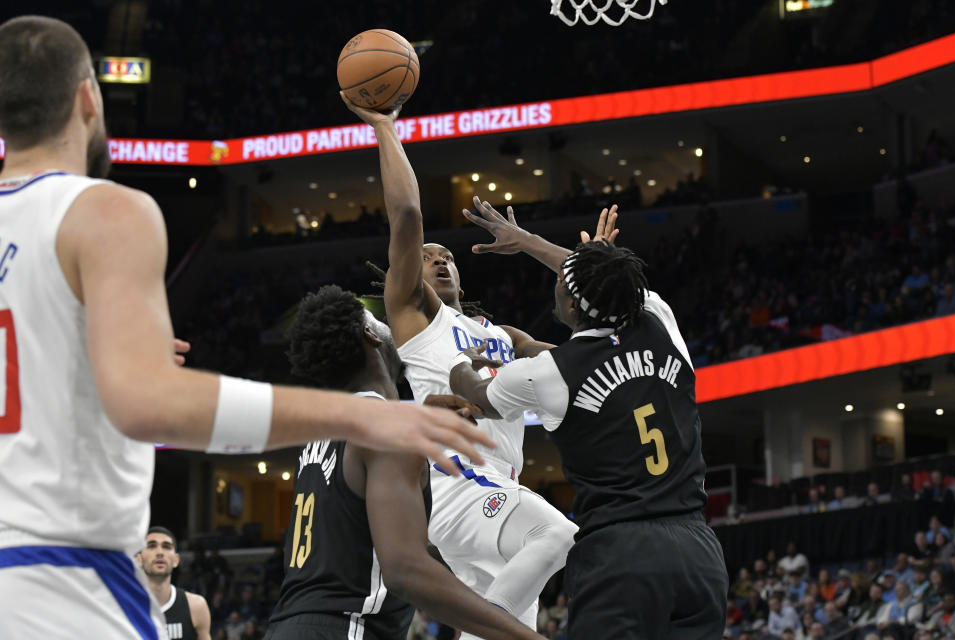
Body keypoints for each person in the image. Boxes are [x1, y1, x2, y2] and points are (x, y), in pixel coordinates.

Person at [0, 16, 492, 639]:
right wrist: (359, 415)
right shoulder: (102, 210)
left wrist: (97, 358)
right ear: (86, 99)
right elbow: (148, 405)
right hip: (65, 576)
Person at [340, 94, 578, 636]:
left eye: (447, 256)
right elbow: (406, 216)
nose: (439, 260)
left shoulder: (501, 334)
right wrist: (385, 129)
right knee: (558, 536)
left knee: (499, 623)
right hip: (456, 479)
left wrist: (593, 273)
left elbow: (577, 360)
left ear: (464, 277)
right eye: (427, 257)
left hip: (497, 481)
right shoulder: (418, 319)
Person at [448, 217, 727, 638]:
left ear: (573, 305)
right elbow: (608, 286)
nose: (558, 280)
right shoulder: (659, 319)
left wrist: (460, 357)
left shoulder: (549, 373)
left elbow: (473, 394)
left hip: (622, 553)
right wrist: (531, 243)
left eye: (564, 280)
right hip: (699, 552)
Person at [264, 285, 545, 640]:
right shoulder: (385, 431)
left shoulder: (326, 433)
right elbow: (403, 570)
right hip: (346, 627)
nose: (390, 326)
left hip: (290, 625)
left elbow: (366, 540)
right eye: (381, 321)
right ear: (370, 334)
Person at [138, 526, 212, 640]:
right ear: (139, 559)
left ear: (176, 560)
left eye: (166, 547)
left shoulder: (196, 606)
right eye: (151, 546)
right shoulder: (122, 606)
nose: (160, 552)